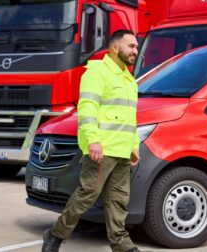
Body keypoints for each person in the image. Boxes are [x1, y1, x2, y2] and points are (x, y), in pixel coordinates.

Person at [42, 29, 142, 252]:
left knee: (118, 200)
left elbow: (130, 117)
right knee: (87, 195)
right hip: (102, 149)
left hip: (123, 151)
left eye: (136, 46)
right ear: (115, 47)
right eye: (131, 46)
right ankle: (54, 235)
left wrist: (134, 145)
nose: (135, 50)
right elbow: (87, 109)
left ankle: (122, 245)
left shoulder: (129, 79)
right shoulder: (97, 72)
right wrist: (93, 141)